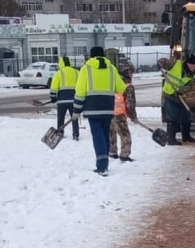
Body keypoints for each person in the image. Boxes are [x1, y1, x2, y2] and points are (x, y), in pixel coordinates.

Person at [73, 47, 126, 177]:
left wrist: (76, 110)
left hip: (92, 108)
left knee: (98, 136)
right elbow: (120, 88)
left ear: (91, 56)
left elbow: (80, 92)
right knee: (104, 135)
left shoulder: (86, 69)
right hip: (107, 107)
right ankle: (104, 164)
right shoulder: (111, 69)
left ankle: (102, 167)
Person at [161, 54, 195, 145]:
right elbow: (163, 62)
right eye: (194, 66)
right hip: (169, 95)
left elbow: (189, 86)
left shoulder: (193, 74)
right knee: (173, 117)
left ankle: (186, 136)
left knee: (186, 116)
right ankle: (171, 139)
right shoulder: (176, 65)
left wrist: (181, 91)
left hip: (180, 97)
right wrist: (161, 63)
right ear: (189, 64)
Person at [50, 56, 80, 141]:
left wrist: (53, 97)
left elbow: (54, 87)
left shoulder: (59, 73)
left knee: (61, 118)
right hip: (74, 100)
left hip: (62, 100)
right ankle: (76, 134)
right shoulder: (76, 72)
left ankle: (60, 133)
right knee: (74, 118)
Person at [109, 70, 136, 162]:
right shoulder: (128, 87)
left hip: (110, 112)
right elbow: (130, 103)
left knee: (112, 134)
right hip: (119, 114)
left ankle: (112, 152)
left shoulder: (113, 84)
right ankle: (124, 155)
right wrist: (133, 116)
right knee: (125, 135)